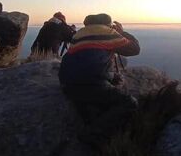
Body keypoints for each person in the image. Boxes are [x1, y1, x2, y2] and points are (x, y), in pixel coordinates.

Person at [59, 13, 140, 146]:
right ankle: (92, 135)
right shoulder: (107, 33)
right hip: (90, 85)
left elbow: (89, 60)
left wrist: (111, 77)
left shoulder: (79, 34)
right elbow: (135, 49)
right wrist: (122, 32)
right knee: (129, 103)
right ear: (107, 25)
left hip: (67, 84)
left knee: (94, 108)